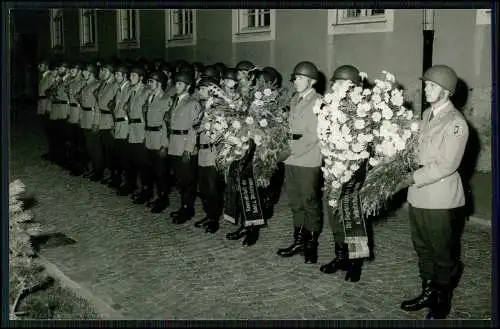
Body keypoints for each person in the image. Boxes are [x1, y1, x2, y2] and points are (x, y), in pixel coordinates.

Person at [399, 65, 468, 320]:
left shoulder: (456, 123)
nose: (425, 88)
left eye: (431, 85)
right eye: (426, 84)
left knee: (441, 252)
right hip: (418, 195)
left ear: (446, 92)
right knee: (422, 248)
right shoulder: (427, 114)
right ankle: (428, 290)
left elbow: (446, 165)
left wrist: (410, 178)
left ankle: (442, 299)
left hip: (440, 198)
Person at [319, 65, 370, 282]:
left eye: (341, 84)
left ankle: (356, 262)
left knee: (352, 217)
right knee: (334, 216)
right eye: (335, 83)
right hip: (332, 170)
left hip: (354, 173)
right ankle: (341, 256)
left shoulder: (364, 111)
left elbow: (367, 145)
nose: (336, 87)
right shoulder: (330, 109)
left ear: (353, 87)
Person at [276, 61, 323, 264]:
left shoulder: (318, 101)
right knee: (295, 202)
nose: (296, 81)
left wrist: (288, 151)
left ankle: (311, 245)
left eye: (301, 78)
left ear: (311, 81)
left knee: (310, 202)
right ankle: (299, 241)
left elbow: (313, 136)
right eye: (295, 78)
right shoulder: (295, 99)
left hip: (308, 158)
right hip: (292, 158)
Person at [168, 70, 202, 224]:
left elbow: (194, 128)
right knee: (180, 180)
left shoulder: (192, 103)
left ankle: (188, 210)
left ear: (188, 87)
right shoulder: (177, 101)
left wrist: (188, 149)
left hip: (185, 147)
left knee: (188, 182)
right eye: (176, 83)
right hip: (175, 144)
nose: (177, 86)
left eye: (180, 84)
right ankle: (183, 206)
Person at [193, 75, 225, 233]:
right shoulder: (203, 107)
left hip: (212, 152)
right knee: (204, 188)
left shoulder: (218, 109)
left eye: (203, 89)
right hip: (202, 151)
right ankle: (208, 214)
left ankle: (214, 219)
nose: (199, 91)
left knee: (213, 189)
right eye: (199, 88)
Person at [142, 71, 172, 213]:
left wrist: (164, 144)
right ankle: (155, 196)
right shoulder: (150, 97)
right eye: (148, 81)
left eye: (151, 82)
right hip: (149, 138)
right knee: (151, 171)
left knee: (161, 173)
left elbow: (166, 124)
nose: (149, 84)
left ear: (159, 83)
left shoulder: (166, 100)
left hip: (160, 139)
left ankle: (163, 199)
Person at [121, 66, 152, 199]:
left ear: (141, 78)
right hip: (131, 128)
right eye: (130, 75)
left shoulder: (147, 91)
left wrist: (146, 134)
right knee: (130, 160)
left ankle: (146, 190)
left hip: (141, 129)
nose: (130, 78)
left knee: (143, 163)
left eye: (134, 76)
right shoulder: (130, 90)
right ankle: (131, 185)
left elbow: (148, 113)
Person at [92, 62, 119, 183]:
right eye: (102, 71)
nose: (102, 73)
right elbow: (98, 104)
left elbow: (116, 107)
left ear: (112, 73)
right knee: (106, 150)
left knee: (112, 151)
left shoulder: (115, 85)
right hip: (102, 120)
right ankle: (110, 174)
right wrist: (96, 122)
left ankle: (116, 176)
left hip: (110, 121)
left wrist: (114, 125)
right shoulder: (104, 84)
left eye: (106, 71)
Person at [109, 64, 133, 189]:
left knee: (125, 157)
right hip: (118, 125)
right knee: (118, 155)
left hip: (125, 126)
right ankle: (120, 180)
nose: (116, 76)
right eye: (116, 74)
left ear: (125, 76)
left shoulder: (129, 89)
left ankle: (128, 183)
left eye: (118, 74)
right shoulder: (119, 89)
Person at [78, 63, 102, 179]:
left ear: (92, 73)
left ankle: (99, 171)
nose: (83, 73)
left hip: (92, 119)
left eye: (86, 72)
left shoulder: (96, 85)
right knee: (88, 146)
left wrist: (96, 123)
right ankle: (92, 169)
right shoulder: (86, 84)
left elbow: (97, 106)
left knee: (95, 148)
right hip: (85, 118)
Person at [47, 61, 72, 168]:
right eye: (59, 68)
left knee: (64, 136)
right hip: (55, 109)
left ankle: (65, 159)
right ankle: (57, 156)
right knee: (55, 134)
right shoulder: (58, 80)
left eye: (62, 68)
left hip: (64, 109)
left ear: (67, 69)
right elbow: (49, 91)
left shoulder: (70, 80)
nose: (59, 70)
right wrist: (50, 93)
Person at [66, 62, 87, 176]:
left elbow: (82, 102)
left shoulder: (83, 83)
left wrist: (80, 117)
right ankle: (74, 165)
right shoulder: (72, 82)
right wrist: (69, 114)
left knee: (80, 143)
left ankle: (81, 167)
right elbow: (70, 101)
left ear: (79, 70)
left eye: (74, 68)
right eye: (71, 68)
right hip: (72, 113)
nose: (72, 70)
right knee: (73, 141)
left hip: (79, 114)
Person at [37, 59, 56, 162]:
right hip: (42, 105)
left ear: (46, 65)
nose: (39, 67)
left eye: (41, 64)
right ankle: (51, 152)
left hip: (47, 106)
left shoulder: (50, 76)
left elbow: (50, 94)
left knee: (50, 131)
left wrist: (48, 108)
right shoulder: (43, 76)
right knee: (47, 131)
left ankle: (53, 153)